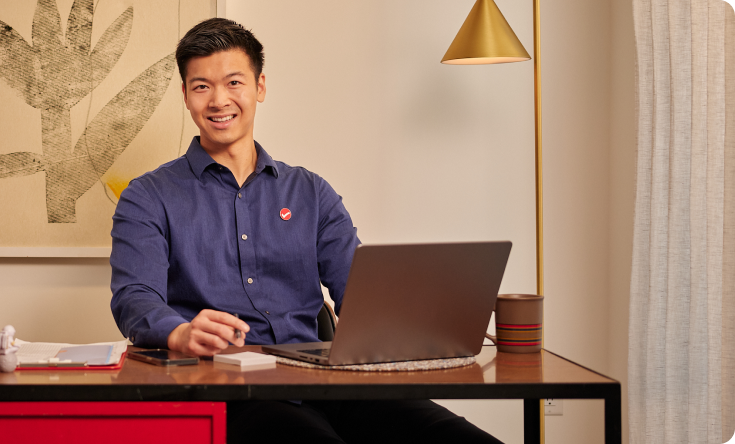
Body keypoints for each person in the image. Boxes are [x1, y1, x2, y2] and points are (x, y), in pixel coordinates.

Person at [110, 17, 502, 444]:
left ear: (260, 87)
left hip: (329, 381)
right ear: (186, 96)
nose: (219, 100)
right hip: (229, 391)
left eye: (234, 82)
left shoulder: (311, 192)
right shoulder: (147, 197)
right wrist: (181, 332)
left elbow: (359, 291)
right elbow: (134, 297)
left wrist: (426, 316)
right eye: (202, 86)